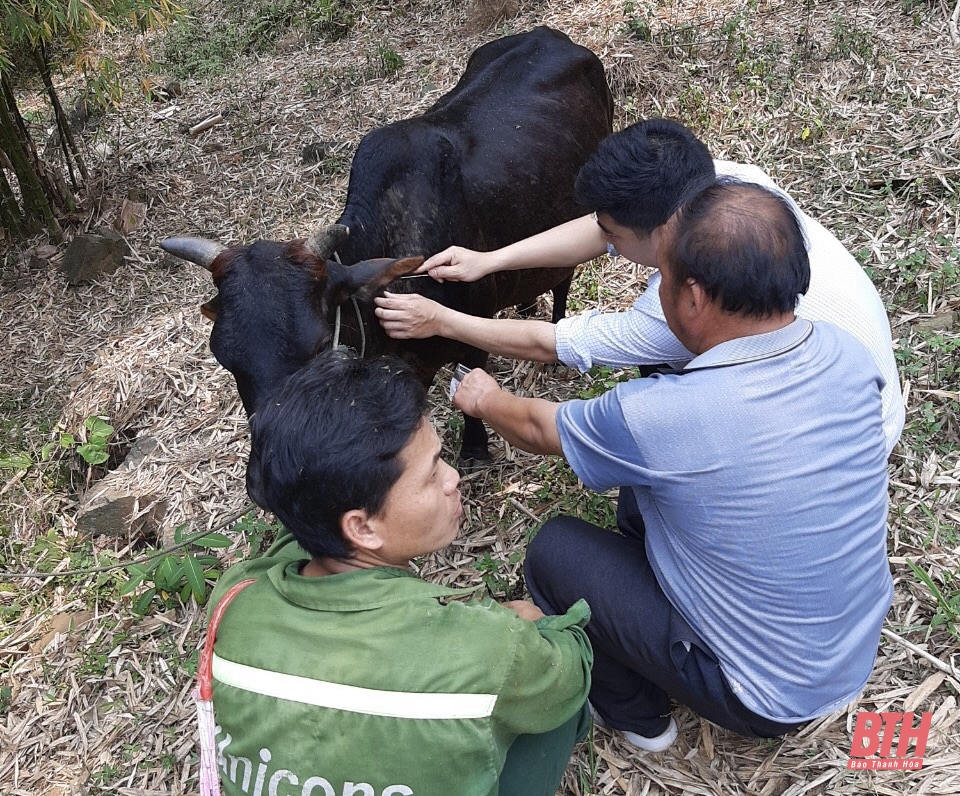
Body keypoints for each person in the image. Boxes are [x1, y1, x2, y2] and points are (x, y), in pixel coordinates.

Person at [448, 178, 893, 751]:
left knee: (555, 552)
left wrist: (483, 399)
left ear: (694, 297)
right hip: (850, 650)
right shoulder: (844, 352)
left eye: (661, 275)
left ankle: (642, 719)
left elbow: (538, 427)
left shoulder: (667, 418)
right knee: (650, 481)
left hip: (764, 695)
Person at [373, 118, 904, 455]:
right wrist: (488, 261)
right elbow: (600, 229)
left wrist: (439, 320)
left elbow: (549, 344)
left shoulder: (682, 311)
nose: (604, 240)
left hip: (852, 439)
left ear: (658, 232)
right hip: (854, 378)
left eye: (614, 235)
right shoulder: (732, 188)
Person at [203, 352, 592, 796]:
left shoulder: (235, 599)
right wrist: (533, 627)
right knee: (553, 709)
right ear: (361, 527)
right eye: (431, 475)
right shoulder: (487, 649)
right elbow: (572, 672)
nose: (453, 478)